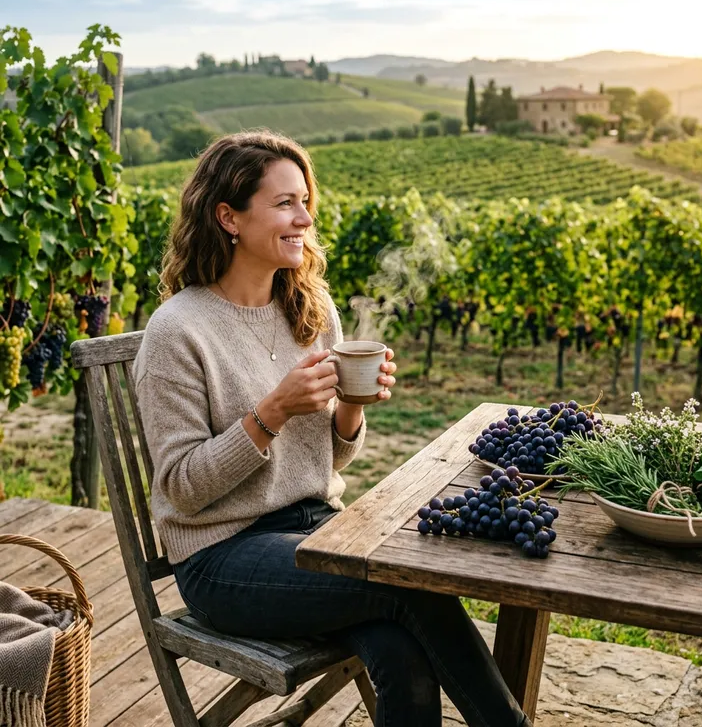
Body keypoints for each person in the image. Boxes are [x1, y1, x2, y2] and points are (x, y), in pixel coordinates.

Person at [133, 130, 532, 727]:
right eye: (284, 203)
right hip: (221, 558)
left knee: (401, 651)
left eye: (305, 201)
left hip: (317, 528)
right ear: (228, 217)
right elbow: (182, 489)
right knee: (408, 584)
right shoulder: (178, 330)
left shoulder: (310, 307)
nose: (304, 218)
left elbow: (331, 460)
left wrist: (350, 408)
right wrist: (272, 412)